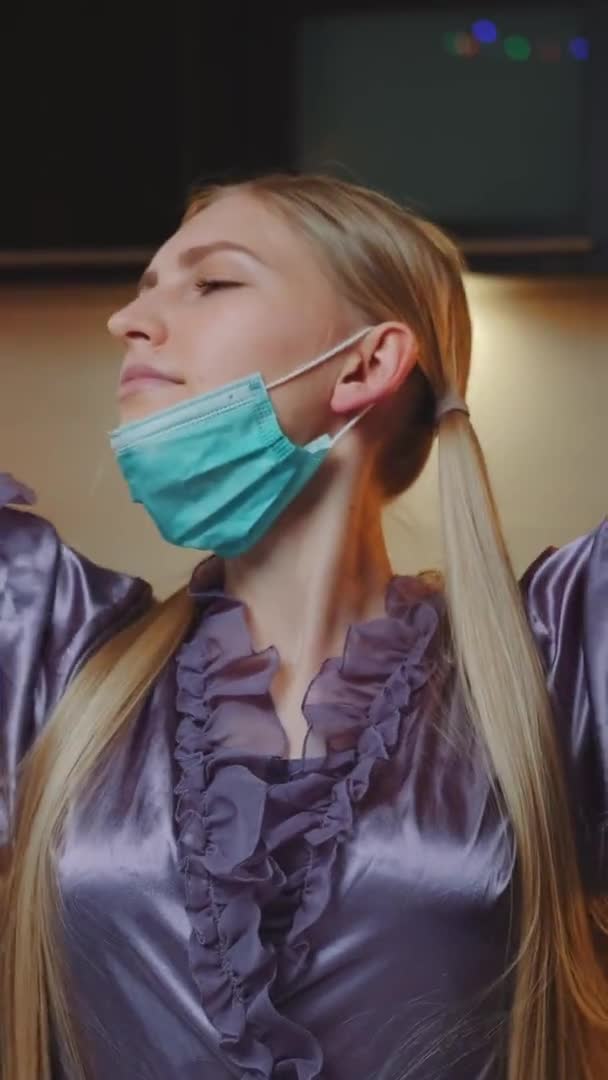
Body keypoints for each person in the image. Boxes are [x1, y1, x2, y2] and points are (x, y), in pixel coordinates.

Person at [0, 173, 606, 1080]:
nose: (129, 319)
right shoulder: (50, 647)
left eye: (211, 282)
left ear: (366, 364)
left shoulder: (553, 667)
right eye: (145, 283)